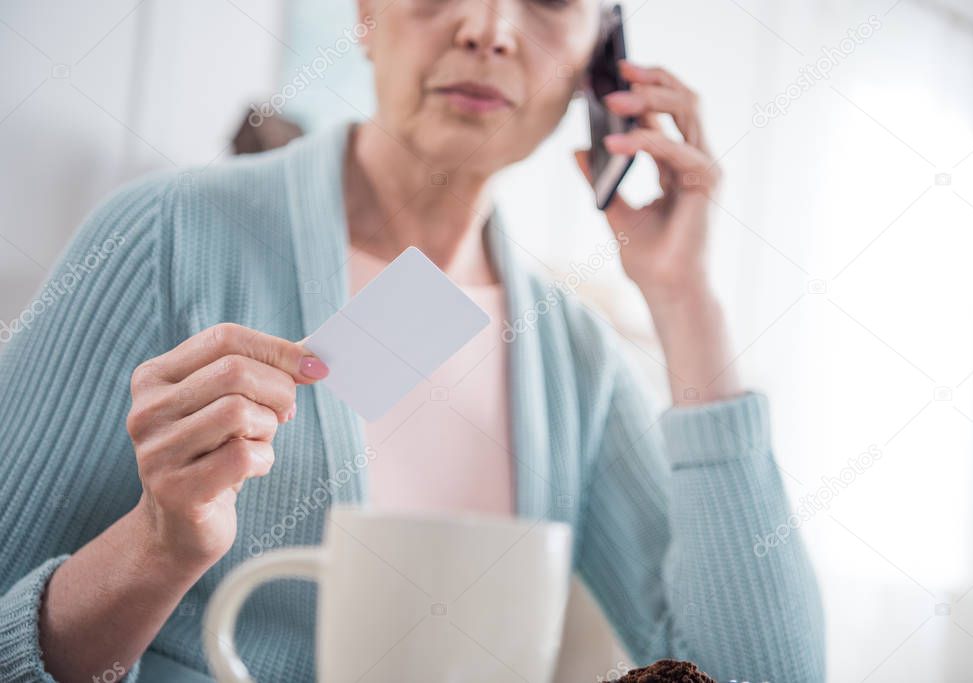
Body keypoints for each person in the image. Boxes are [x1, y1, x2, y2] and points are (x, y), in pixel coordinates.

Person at [0, 0, 825, 681]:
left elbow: (756, 674)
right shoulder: (164, 234)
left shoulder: (574, 357)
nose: (488, 28)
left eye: (546, 3)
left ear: (598, 64)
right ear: (364, 14)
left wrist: (684, 301)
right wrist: (156, 546)